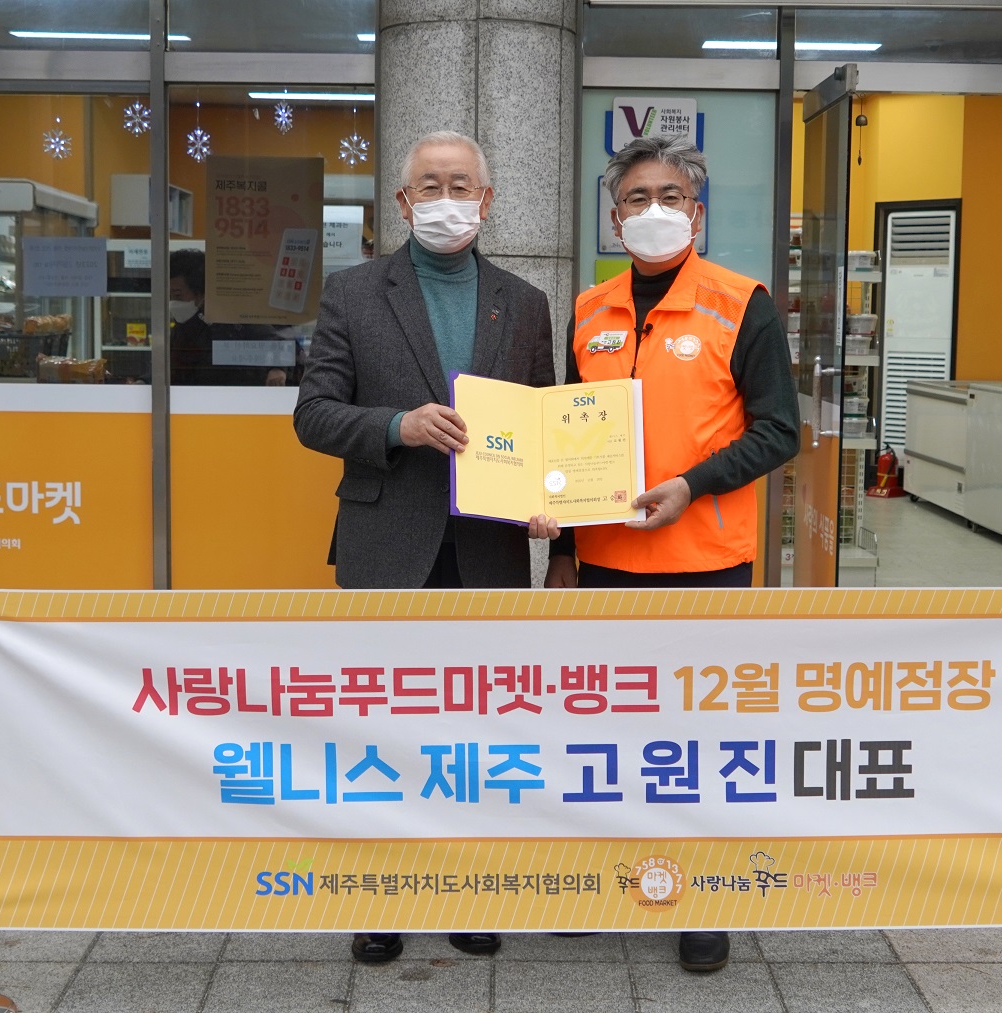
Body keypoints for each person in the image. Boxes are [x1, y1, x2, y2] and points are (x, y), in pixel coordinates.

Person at [530, 134, 801, 973]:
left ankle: (700, 897)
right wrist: (562, 547)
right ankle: (603, 881)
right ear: (614, 220)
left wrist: (693, 483)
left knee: (697, 742)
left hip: (706, 562)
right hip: (607, 562)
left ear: (698, 213)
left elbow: (779, 430)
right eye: (637, 198)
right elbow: (568, 436)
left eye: (671, 196)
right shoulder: (589, 309)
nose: (655, 210)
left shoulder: (743, 303)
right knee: (606, 737)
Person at [294, 130, 556, 963]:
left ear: (488, 198)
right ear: (404, 202)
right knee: (381, 730)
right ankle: (380, 896)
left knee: (478, 729)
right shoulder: (354, 292)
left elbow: (544, 423)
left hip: (488, 548)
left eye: (462, 184)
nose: (448, 199)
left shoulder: (524, 302)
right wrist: (396, 426)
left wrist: (550, 501)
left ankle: (470, 888)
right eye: (430, 186)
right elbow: (313, 413)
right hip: (387, 541)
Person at [168, 248, 288, 387]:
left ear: (202, 293)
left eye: (178, 295)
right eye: (169, 296)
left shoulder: (234, 318)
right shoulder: (182, 327)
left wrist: (277, 369)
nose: (172, 302)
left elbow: (274, 342)